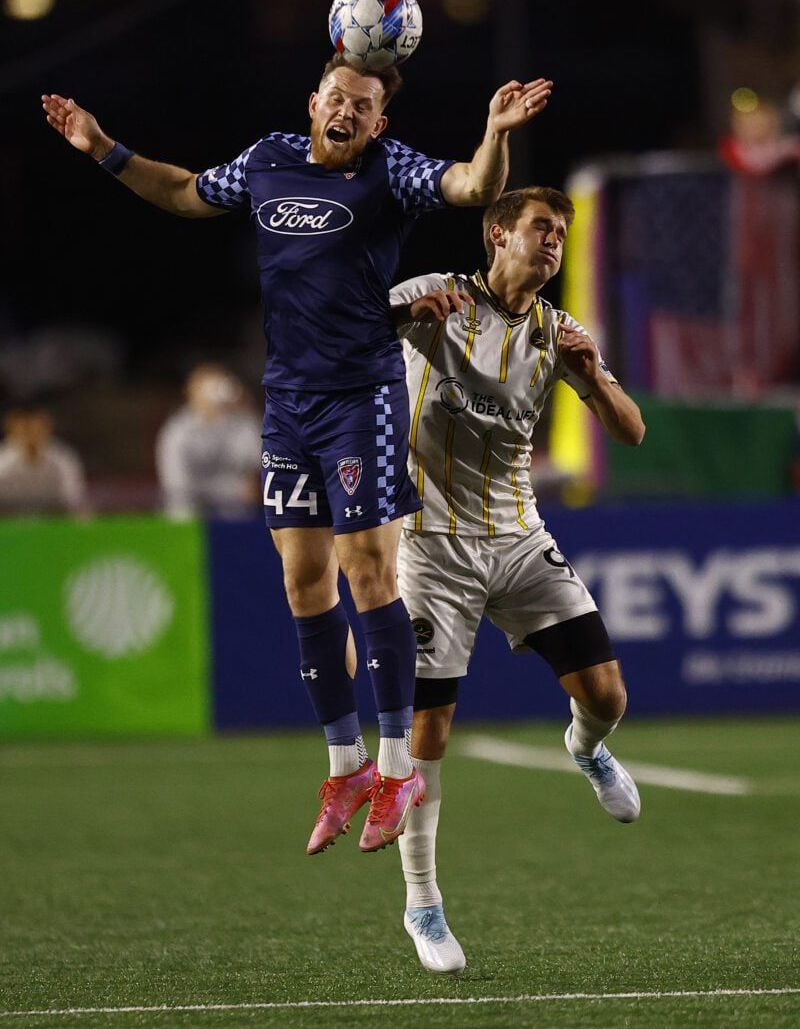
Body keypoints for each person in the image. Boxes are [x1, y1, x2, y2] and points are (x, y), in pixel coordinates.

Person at [41, 57, 552, 853]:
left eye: (364, 104)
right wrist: (102, 146)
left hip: (362, 398)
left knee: (368, 574)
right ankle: (345, 765)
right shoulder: (268, 159)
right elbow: (181, 191)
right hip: (288, 404)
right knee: (302, 582)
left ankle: (394, 768)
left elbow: (472, 189)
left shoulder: (391, 168)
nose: (347, 110)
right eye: (337, 98)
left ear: (379, 123)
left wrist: (494, 135)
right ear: (314, 104)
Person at [389, 185, 646, 972]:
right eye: (541, 228)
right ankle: (423, 906)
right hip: (432, 546)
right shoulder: (430, 298)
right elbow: (342, 326)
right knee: (426, 732)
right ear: (498, 234)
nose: (555, 242)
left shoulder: (557, 330)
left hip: (518, 537)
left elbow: (631, 432)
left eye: (563, 233)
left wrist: (595, 378)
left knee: (607, 696)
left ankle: (586, 748)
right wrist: (395, 322)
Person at [156, 363, 262, 520]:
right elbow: (177, 485)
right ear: (192, 392)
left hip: (237, 515)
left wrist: (247, 406)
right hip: (188, 516)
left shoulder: (243, 422)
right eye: (210, 388)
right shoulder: (177, 431)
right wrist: (235, 489)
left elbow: (258, 465)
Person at [0, 405, 90, 517]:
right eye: (25, 428)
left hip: (52, 521)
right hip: (8, 522)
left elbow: (76, 500)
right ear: (11, 429)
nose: (31, 433)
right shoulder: (2, 460)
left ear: (47, 427)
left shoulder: (63, 458)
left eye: (37, 427)